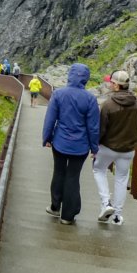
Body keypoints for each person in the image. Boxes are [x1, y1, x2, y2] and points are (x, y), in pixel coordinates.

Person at [42, 63, 99, 225]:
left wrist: (47, 138)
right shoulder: (90, 99)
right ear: (86, 79)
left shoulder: (58, 94)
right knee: (73, 177)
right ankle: (67, 216)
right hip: (80, 146)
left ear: (70, 76)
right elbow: (93, 127)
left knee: (58, 173)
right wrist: (94, 148)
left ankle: (55, 207)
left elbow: (50, 119)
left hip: (59, 142)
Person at [93, 70, 137, 227]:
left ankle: (106, 203)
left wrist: (96, 146)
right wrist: (136, 143)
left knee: (99, 170)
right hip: (128, 150)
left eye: (112, 82)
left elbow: (101, 128)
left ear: (116, 85)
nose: (110, 84)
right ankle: (117, 216)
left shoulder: (108, 105)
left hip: (107, 147)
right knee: (122, 179)